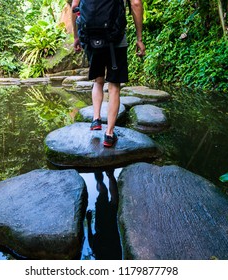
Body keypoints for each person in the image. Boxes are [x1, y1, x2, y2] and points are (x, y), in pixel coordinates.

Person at [71, 0, 146, 147]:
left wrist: (76, 37)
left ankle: (96, 119)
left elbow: (74, 7)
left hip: (91, 37)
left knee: (98, 81)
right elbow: (136, 4)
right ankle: (109, 134)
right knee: (114, 86)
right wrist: (139, 38)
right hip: (115, 37)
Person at [86, 170, 122, 259]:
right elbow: (91, 241)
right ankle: (104, 178)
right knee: (106, 195)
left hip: (111, 227)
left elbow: (91, 241)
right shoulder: (98, 255)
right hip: (104, 226)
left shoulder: (114, 258)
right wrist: (89, 221)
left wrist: (89, 221)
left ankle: (109, 175)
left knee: (113, 201)